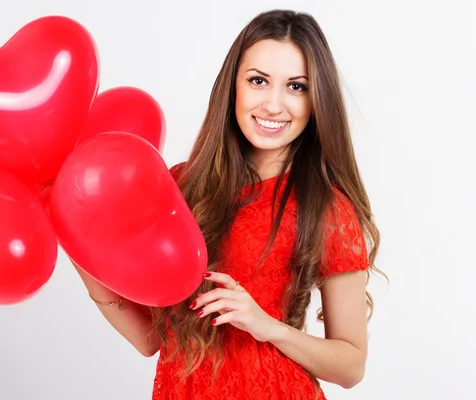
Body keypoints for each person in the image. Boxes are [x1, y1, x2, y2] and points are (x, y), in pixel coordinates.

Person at [73, 9, 383, 400]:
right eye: (258, 81)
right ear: (233, 86)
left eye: (296, 87)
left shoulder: (326, 208)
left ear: (316, 99)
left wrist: (266, 325)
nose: (273, 105)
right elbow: (152, 340)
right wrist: (77, 244)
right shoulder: (179, 185)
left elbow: (351, 366)